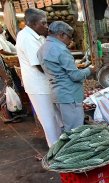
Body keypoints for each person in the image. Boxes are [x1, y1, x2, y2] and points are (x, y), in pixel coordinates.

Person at [37, 21, 96, 132]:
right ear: (61, 35)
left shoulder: (42, 49)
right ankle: (73, 150)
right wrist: (89, 70)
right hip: (69, 96)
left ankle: (64, 148)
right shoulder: (61, 50)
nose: (70, 41)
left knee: (65, 129)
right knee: (74, 131)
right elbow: (75, 76)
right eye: (69, 37)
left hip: (57, 95)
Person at [16, 8, 62, 147]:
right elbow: (39, 65)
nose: (47, 26)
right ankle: (56, 152)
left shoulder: (37, 36)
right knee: (49, 121)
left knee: (55, 119)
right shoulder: (27, 38)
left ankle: (61, 147)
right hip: (39, 87)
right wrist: (61, 75)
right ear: (32, 23)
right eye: (44, 23)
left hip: (46, 84)